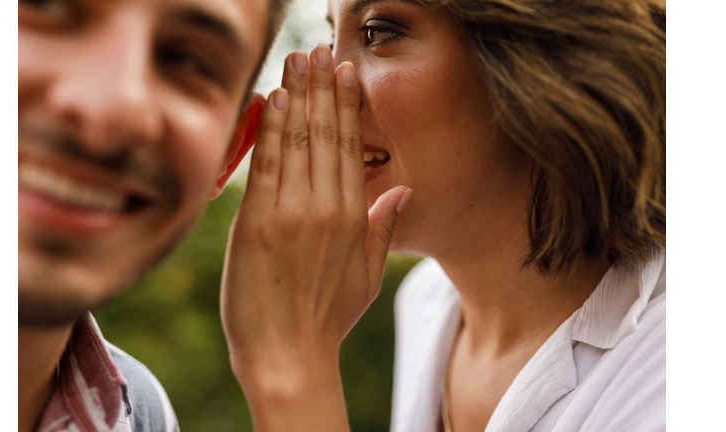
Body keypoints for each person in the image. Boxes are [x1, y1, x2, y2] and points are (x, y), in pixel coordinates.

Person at [220, 0, 666, 431]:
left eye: (376, 33)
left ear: (534, 58)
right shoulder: (425, 302)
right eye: (330, 38)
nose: (330, 86)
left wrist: (293, 366)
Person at [17, 0, 293, 430]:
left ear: (230, 151)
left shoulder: (146, 415)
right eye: (42, 6)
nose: (113, 107)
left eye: (188, 60)